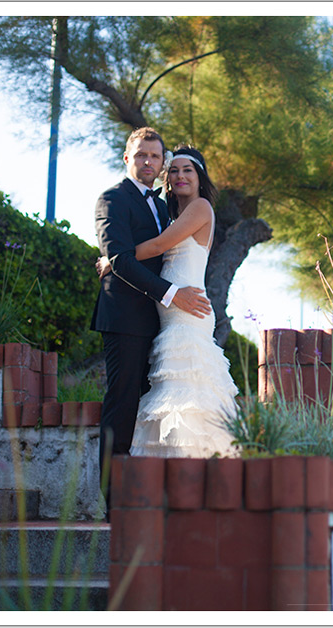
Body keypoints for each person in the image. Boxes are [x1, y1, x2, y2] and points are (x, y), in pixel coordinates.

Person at [91, 129, 213, 511]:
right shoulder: (112, 199)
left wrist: (117, 261)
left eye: (154, 157)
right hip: (126, 318)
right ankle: (114, 502)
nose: (149, 162)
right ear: (128, 158)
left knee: (162, 408)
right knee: (123, 404)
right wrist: (117, 260)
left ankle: (169, 491)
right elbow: (127, 258)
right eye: (141, 155)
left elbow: (159, 253)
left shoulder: (165, 209)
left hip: (163, 321)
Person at [97, 144, 239, 458]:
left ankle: (195, 474)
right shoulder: (170, 213)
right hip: (169, 316)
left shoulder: (201, 207)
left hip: (188, 313)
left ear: (201, 177)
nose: (180, 176)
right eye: (174, 170)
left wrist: (115, 259)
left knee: (187, 399)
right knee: (170, 398)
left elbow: (161, 245)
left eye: (188, 170)